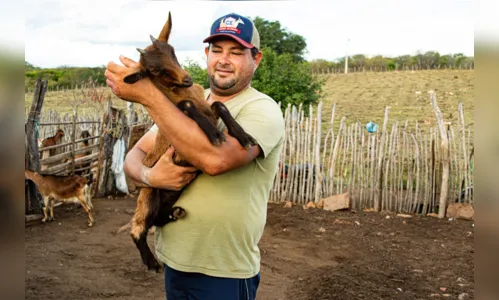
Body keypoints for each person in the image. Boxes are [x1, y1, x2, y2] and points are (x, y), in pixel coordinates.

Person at [105, 12, 285, 300]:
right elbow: (135, 155)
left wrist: (149, 96)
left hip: (223, 271)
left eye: (237, 52)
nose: (224, 59)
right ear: (206, 54)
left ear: (257, 59)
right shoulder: (188, 99)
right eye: (217, 50)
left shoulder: (262, 109)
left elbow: (215, 160)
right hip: (175, 263)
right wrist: (150, 175)